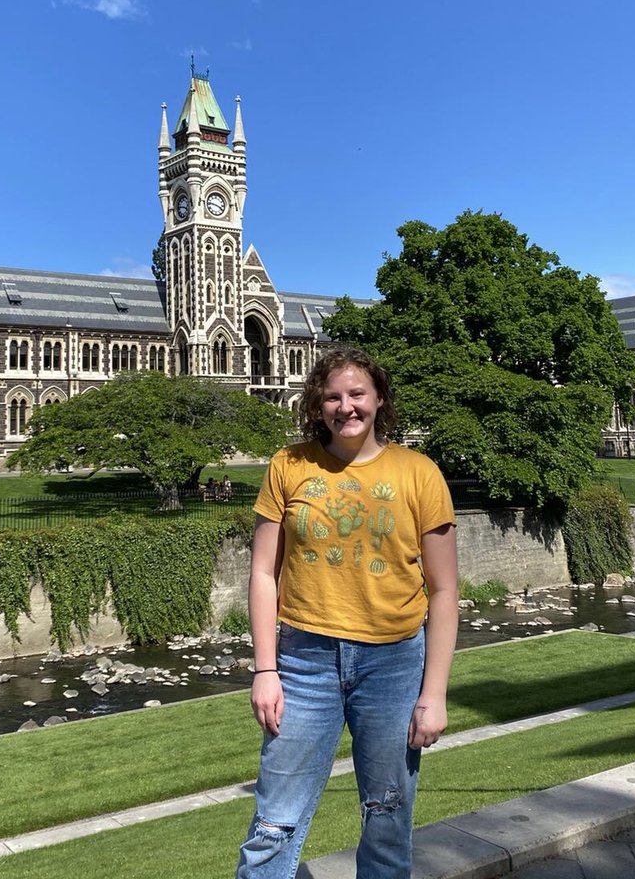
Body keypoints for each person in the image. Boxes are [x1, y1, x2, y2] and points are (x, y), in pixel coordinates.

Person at [236, 346, 458, 879]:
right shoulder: (288, 465)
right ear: (317, 406)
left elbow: (445, 590)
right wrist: (265, 669)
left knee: (387, 820)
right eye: (332, 396)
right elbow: (264, 573)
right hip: (304, 660)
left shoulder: (418, 472)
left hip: (393, 665)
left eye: (357, 394)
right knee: (274, 824)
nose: (346, 406)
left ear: (379, 399)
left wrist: (434, 695)